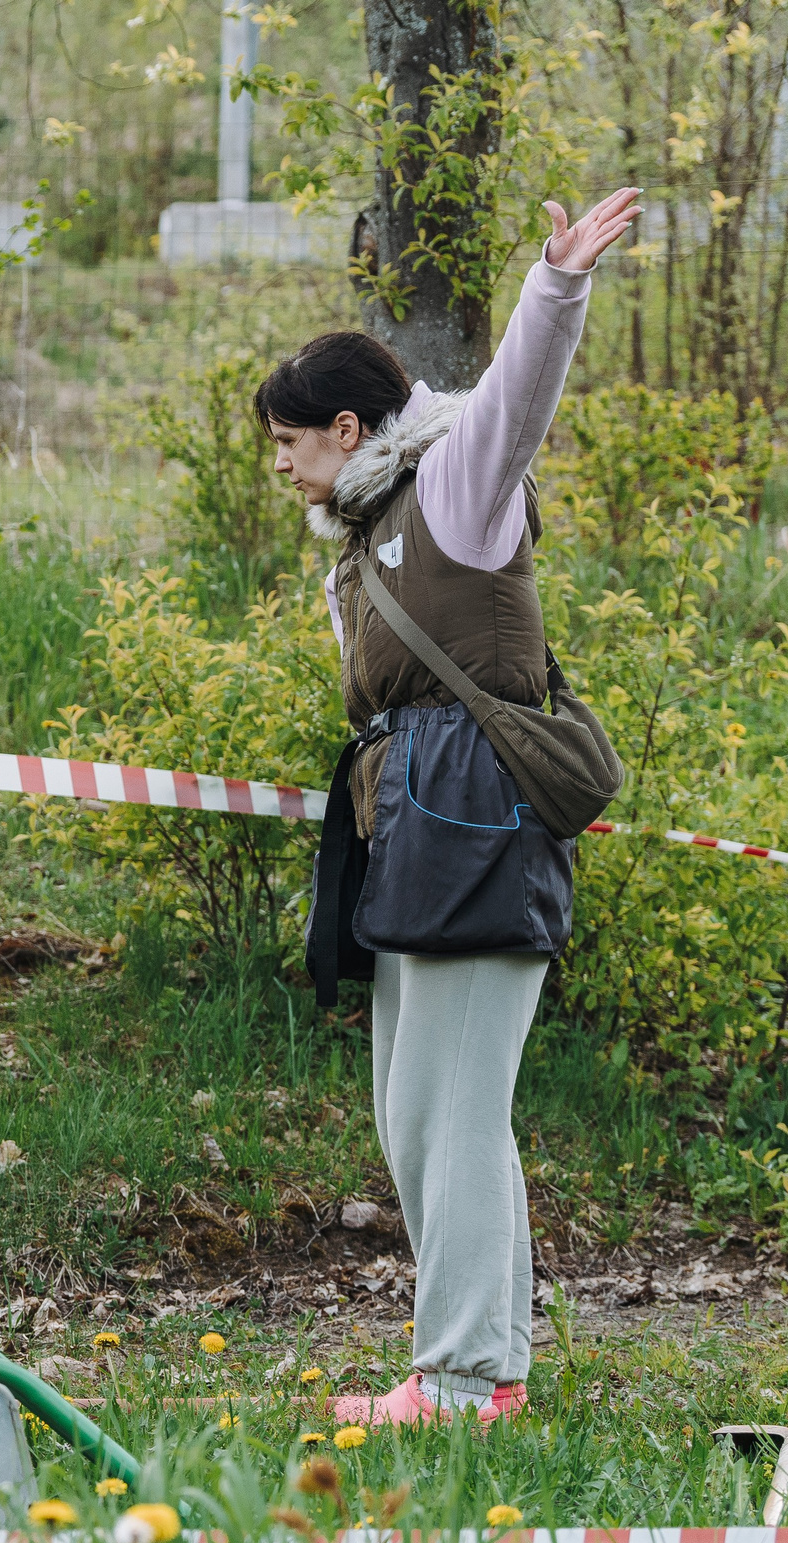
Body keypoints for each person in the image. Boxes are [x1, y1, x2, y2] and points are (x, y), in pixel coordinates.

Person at [255, 188, 643, 1426]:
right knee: (421, 1109)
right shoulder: (370, 523)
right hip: (421, 830)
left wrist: (555, 286)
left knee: (453, 1113)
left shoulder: (455, 488)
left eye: (288, 440)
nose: (278, 463)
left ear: (348, 426)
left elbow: (514, 400)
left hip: (477, 825)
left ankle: (463, 1379)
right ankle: (487, 1374)